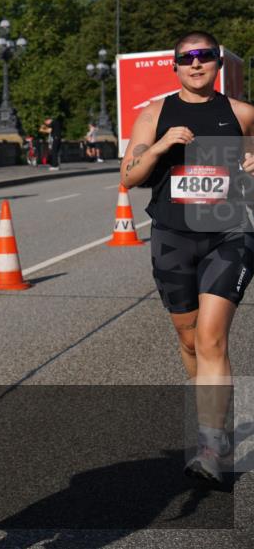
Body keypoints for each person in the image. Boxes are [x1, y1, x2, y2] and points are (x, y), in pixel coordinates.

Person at [121, 30, 254, 484]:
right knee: (190, 339)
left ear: (218, 63)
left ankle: (212, 446)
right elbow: (129, 177)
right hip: (174, 236)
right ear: (174, 65)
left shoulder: (242, 113)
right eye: (186, 58)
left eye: (205, 56)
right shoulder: (154, 114)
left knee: (213, 337)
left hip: (230, 234)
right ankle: (211, 413)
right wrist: (158, 147)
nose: (196, 64)